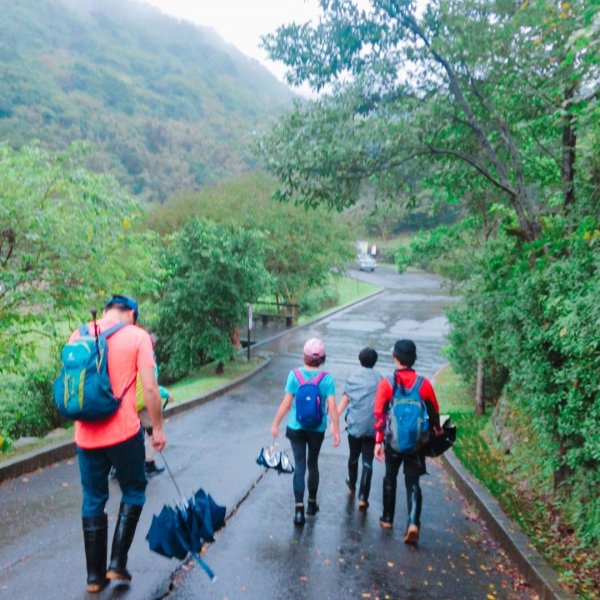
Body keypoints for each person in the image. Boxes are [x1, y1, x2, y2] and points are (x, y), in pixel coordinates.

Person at [70, 295, 167, 593]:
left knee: (93, 499)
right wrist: (158, 428)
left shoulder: (80, 332)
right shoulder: (137, 337)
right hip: (123, 433)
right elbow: (150, 389)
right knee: (135, 489)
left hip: (85, 434)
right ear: (132, 315)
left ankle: (94, 578)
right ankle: (116, 563)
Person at [374, 339, 441, 545]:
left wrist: (378, 441)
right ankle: (413, 522)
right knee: (413, 482)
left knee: (390, 477)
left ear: (396, 358)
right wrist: (436, 431)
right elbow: (433, 411)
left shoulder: (387, 383)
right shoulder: (424, 384)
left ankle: (387, 518)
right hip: (416, 443)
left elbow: (379, 414)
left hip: (393, 441)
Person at [271, 337, 340, 526]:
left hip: (296, 427)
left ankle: (298, 511)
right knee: (313, 464)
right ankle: (311, 505)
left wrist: (275, 423)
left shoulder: (295, 376)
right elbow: (333, 406)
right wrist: (336, 430)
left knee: (300, 466)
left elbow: (286, 404)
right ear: (322, 358)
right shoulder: (327, 379)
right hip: (317, 429)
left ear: (305, 356)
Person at [336, 347, 381, 510]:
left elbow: (344, 402)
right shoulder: (381, 379)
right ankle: (363, 496)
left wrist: (334, 418)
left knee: (353, 456)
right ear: (375, 361)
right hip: (373, 428)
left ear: (360, 359)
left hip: (355, 426)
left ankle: (352, 483)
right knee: (368, 461)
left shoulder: (353, 378)